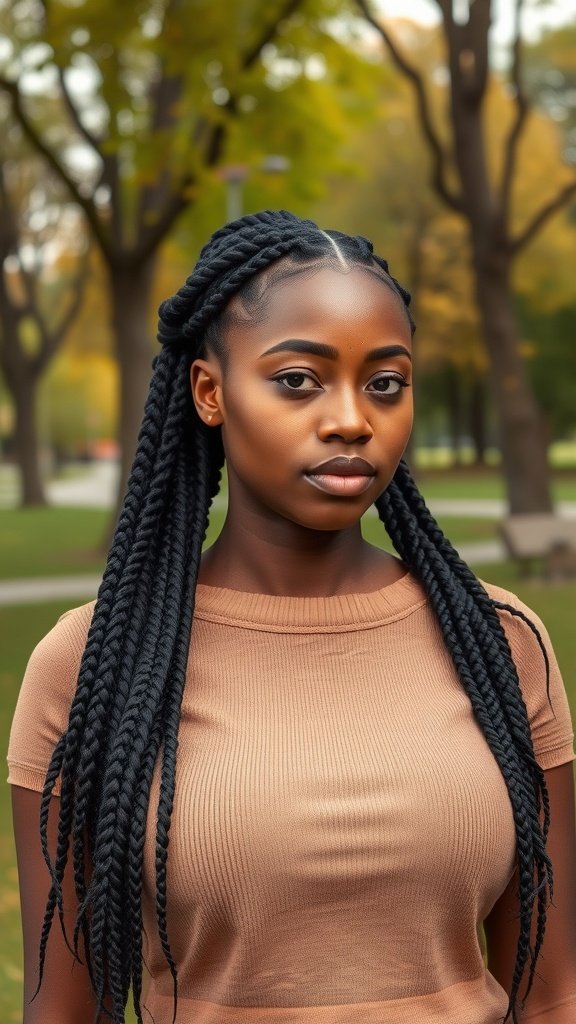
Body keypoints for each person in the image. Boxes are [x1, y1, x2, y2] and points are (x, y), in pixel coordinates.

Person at [7, 209, 576, 1024]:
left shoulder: (498, 642)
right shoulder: (94, 663)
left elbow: (554, 993)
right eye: (299, 380)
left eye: (386, 383)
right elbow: (63, 1009)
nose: (352, 418)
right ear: (211, 391)